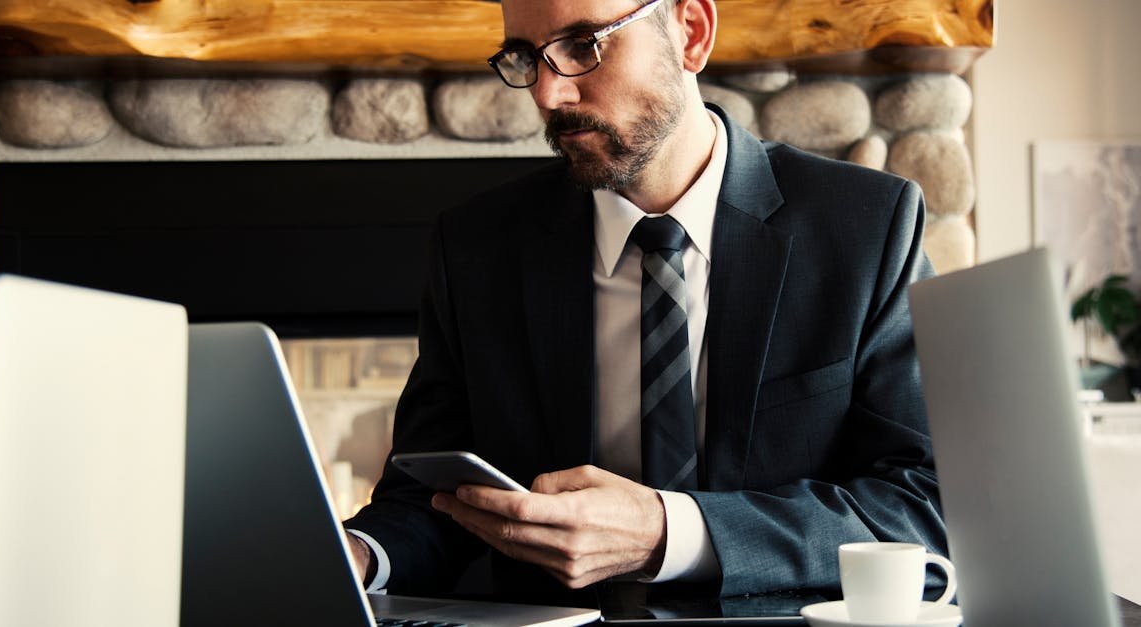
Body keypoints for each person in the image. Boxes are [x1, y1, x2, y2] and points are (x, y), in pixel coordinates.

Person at [345, 0, 945, 607]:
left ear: (691, 33)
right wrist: (360, 555)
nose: (549, 93)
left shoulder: (866, 228)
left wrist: (669, 533)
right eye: (526, 57)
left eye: (583, 45)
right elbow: (432, 496)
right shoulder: (475, 249)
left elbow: (923, 507)